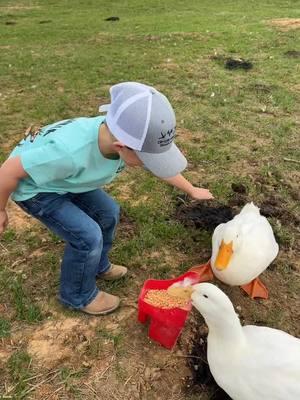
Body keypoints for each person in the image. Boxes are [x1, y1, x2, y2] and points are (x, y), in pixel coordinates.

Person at [0, 82, 213, 315]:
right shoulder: (68, 153)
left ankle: (98, 265)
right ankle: (77, 296)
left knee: (108, 212)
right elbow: (8, 171)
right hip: (37, 188)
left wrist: (191, 189)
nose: (150, 164)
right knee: (87, 236)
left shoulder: (119, 136)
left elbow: (160, 167)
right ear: (121, 147)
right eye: (147, 159)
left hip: (69, 179)